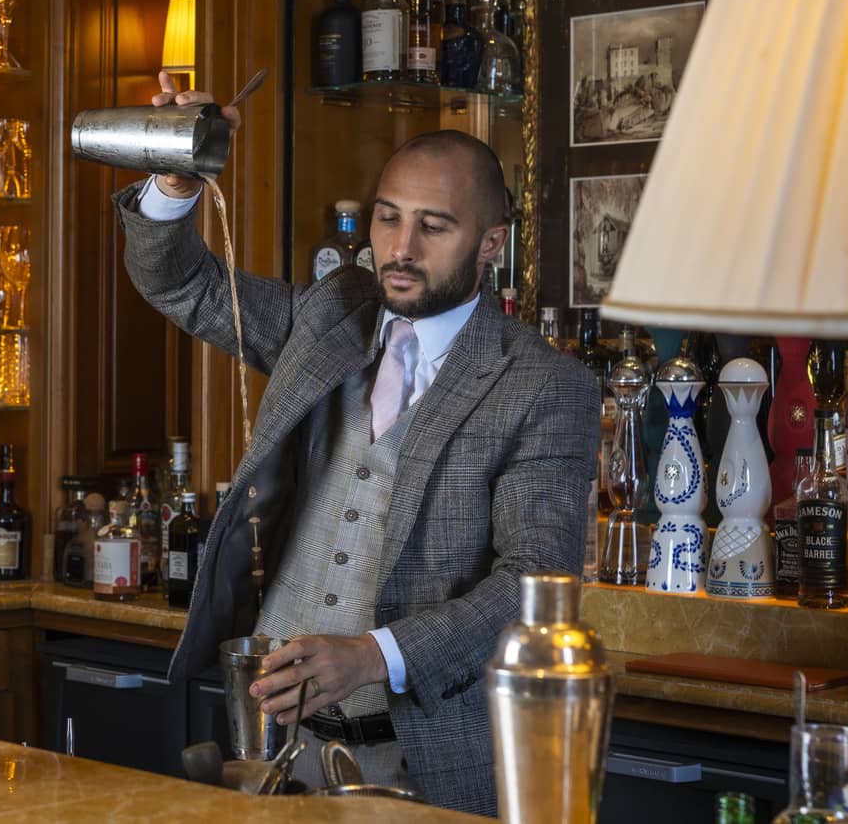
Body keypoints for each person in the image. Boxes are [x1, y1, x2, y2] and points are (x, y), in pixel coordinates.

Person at [117, 72, 598, 815]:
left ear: (490, 243)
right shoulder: (331, 312)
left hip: (421, 766)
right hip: (273, 749)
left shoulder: (541, 384)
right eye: (386, 218)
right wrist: (177, 176)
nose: (399, 250)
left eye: (433, 227)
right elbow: (182, 284)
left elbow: (535, 589)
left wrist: (375, 654)